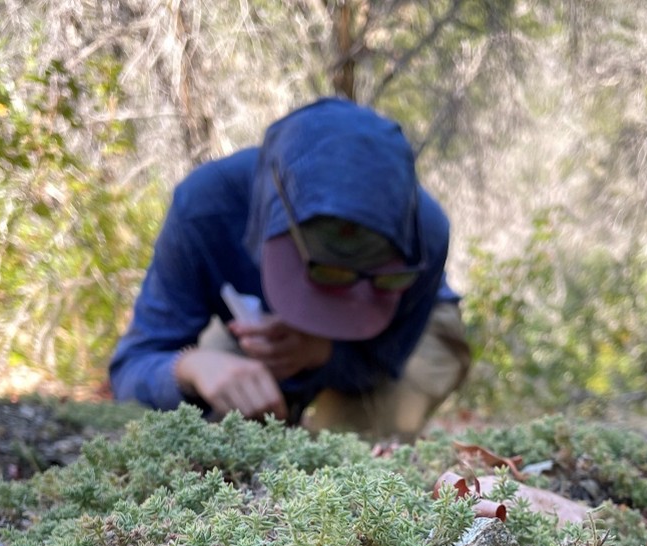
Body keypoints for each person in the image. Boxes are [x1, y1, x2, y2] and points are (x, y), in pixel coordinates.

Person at [109, 97, 471, 440]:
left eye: (380, 276)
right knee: (225, 431)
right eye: (325, 271)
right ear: (271, 209)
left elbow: (382, 363)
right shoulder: (206, 209)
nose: (347, 289)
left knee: (348, 451)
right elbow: (133, 366)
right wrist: (190, 368)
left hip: (413, 330)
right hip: (258, 324)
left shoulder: (428, 231)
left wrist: (325, 354)